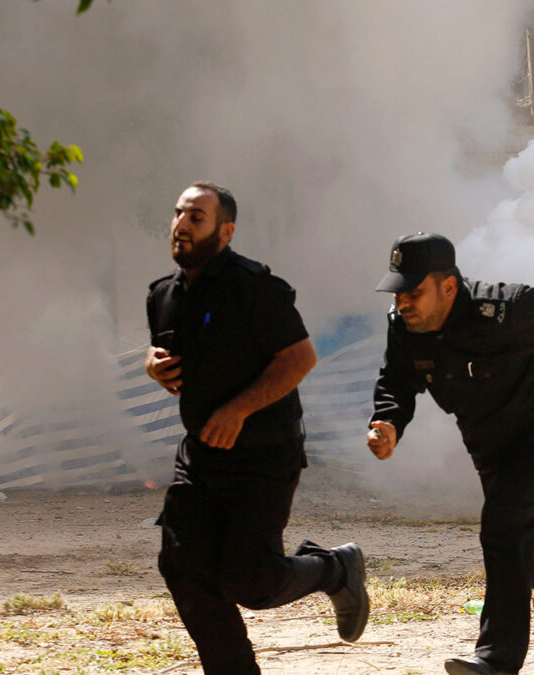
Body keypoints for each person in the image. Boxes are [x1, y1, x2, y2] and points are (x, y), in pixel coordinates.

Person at [365, 233, 534, 675]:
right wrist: (388, 422)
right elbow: (396, 382)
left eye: (414, 292)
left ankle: (496, 660)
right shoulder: (405, 326)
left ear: (449, 287)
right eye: (399, 293)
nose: (404, 303)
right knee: (531, 545)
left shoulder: (505, 310)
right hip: (492, 448)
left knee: (503, 526)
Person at [145, 182, 369, 674]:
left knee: (252, 582)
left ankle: (335, 568)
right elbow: (164, 353)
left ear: (225, 231)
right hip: (201, 457)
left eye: (196, 217)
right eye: (179, 214)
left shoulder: (253, 288)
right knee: (183, 568)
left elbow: (299, 358)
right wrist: (153, 366)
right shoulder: (163, 294)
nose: (182, 224)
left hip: (263, 456)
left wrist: (239, 409)